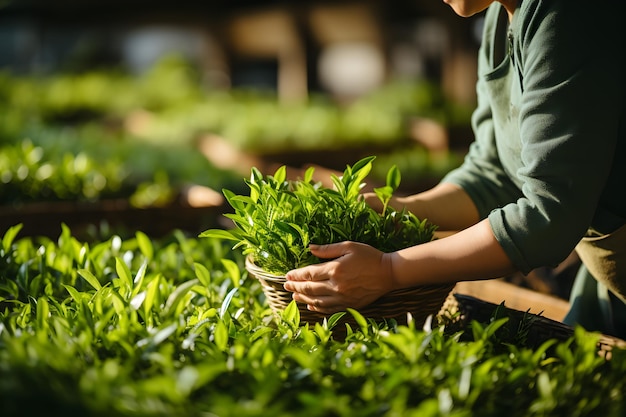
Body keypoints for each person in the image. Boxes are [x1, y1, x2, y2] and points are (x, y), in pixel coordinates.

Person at [283, 0, 626, 339]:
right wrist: (395, 211)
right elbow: (492, 173)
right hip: (605, 282)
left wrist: (390, 270)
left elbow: (548, 215)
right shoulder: (498, 19)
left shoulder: (569, 14)